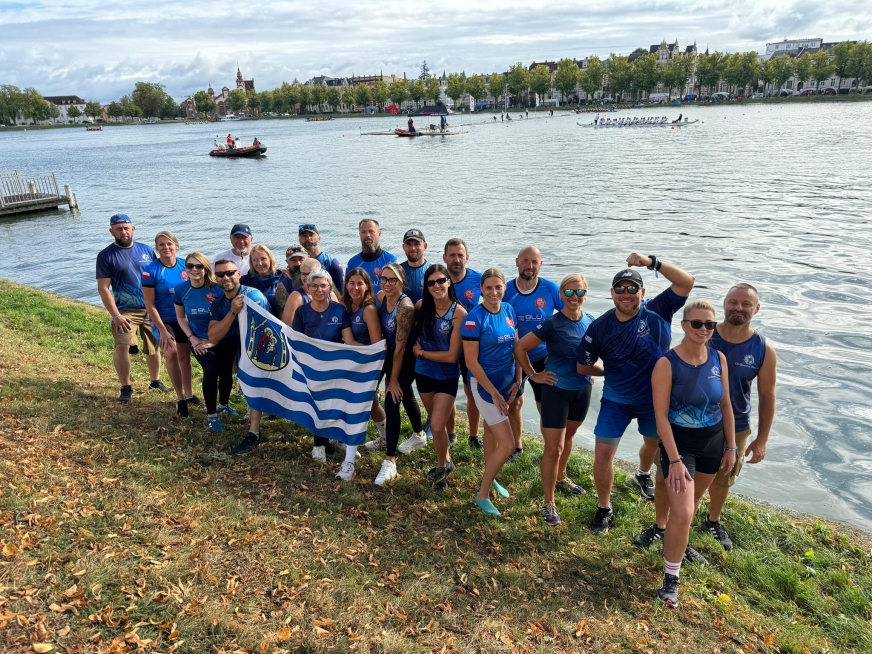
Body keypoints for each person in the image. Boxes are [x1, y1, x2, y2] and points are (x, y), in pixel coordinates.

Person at [577, 253, 695, 534]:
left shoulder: (659, 310)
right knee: (603, 455)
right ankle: (604, 507)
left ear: (643, 292)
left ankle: (642, 475)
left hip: (655, 400)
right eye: (620, 289)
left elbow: (687, 282)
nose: (626, 294)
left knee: (652, 444)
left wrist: (652, 262)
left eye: (632, 289)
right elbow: (583, 366)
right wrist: (608, 371)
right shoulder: (600, 327)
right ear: (612, 294)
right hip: (616, 401)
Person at [641, 300, 736, 608]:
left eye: (710, 325)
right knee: (682, 512)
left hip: (713, 443)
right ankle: (671, 578)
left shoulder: (718, 358)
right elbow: (660, 416)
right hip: (679, 445)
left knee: (691, 506)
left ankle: (677, 542)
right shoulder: (667, 364)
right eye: (697, 324)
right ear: (684, 325)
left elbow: (725, 406)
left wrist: (731, 447)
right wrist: (676, 460)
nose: (704, 330)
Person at [515, 274, 600, 526]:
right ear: (561, 295)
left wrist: (594, 369)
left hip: (581, 390)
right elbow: (520, 347)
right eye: (569, 292)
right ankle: (549, 501)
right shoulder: (552, 323)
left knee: (569, 438)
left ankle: (562, 476)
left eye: (580, 292)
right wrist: (533, 375)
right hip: (555, 389)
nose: (575, 297)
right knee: (554, 448)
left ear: (586, 294)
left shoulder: (591, 321)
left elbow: (595, 353)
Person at [706, 283, 777, 550]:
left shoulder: (763, 349)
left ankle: (713, 519)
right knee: (681, 469)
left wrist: (762, 439)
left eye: (746, 304)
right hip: (696, 418)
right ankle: (674, 517)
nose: (738, 308)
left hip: (737, 423)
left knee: (724, 474)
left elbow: (768, 396)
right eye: (733, 302)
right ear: (724, 303)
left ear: (756, 309)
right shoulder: (704, 332)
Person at [291, 270, 363, 479]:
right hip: (312, 366)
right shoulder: (302, 312)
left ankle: (339, 439)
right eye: (314, 286)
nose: (319, 290)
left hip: (336, 365)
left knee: (338, 404)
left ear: (330, 288)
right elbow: (297, 341)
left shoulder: (340, 311)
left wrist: (373, 350)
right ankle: (319, 445)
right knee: (318, 405)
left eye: (324, 286)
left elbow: (349, 341)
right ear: (308, 288)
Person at [462, 269, 521, 515]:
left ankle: (491, 474)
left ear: (504, 288)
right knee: (507, 444)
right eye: (488, 288)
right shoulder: (474, 319)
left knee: (490, 431)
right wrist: (495, 394)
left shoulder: (508, 310)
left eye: (498, 287)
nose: (494, 292)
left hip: (508, 383)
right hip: (485, 388)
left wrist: (518, 379)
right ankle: (482, 495)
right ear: (481, 290)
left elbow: (516, 346)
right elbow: (471, 363)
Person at [504, 245, 564, 460]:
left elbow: (569, 317)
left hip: (542, 356)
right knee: (514, 403)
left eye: (534, 262)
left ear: (541, 264)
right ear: (517, 262)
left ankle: (549, 450)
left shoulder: (550, 289)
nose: (529, 266)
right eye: (525, 261)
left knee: (545, 407)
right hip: (512, 358)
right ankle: (517, 447)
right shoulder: (506, 290)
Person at [96, 213, 164, 403]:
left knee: (153, 346)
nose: (123, 232)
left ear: (133, 228)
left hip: (151, 307)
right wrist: (116, 315)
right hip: (125, 311)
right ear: (112, 232)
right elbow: (103, 288)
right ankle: (126, 388)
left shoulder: (146, 250)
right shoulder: (106, 255)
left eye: (126, 228)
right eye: (118, 229)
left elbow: (156, 277)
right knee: (122, 345)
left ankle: (155, 382)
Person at [412, 265, 468, 491]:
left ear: (449, 282)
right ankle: (446, 461)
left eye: (440, 281)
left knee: (436, 425)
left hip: (446, 376)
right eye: (431, 282)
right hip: (423, 373)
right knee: (437, 424)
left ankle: (441, 468)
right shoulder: (420, 307)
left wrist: (422, 353)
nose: (436, 286)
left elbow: (452, 356)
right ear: (426, 287)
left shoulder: (459, 313)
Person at [371, 263, 427, 486]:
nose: (386, 283)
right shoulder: (382, 295)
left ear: (402, 282)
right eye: (383, 279)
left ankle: (390, 460)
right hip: (389, 352)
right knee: (405, 394)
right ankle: (419, 435)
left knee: (393, 399)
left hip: (405, 357)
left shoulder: (405, 308)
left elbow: (401, 347)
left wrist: (392, 380)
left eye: (392, 280)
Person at [207, 260, 270, 455]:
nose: (225, 278)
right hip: (237, 351)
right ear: (215, 279)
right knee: (251, 390)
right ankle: (255, 427)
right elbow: (213, 335)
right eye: (220, 275)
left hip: (260, 351)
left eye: (230, 273)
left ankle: (253, 432)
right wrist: (232, 312)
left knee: (256, 388)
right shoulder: (219, 302)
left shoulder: (253, 296)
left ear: (238, 274)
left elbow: (264, 328)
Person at [174, 253, 227, 432]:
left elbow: (227, 316)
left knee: (226, 372)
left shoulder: (218, 289)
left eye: (199, 266)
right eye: (190, 266)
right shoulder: (181, 290)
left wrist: (214, 340)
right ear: (186, 269)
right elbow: (181, 317)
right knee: (211, 370)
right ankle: (211, 416)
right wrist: (192, 338)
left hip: (221, 337)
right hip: (198, 340)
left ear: (206, 268)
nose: (195, 270)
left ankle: (224, 405)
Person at [142, 231, 192, 417]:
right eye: (161, 245)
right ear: (156, 248)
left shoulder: (185, 266)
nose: (166, 248)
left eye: (169, 244)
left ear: (176, 246)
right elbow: (149, 304)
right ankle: (180, 398)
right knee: (171, 353)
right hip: (163, 319)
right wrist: (162, 330)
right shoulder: (151, 271)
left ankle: (190, 395)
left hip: (183, 318)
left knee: (185, 356)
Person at [443, 238, 483, 449]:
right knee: (448, 392)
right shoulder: (438, 280)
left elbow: (493, 305)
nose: (456, 260)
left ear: (467, 257)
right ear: (444, 258)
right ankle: (451, 433)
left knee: (471, 391)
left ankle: (474, 435)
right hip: (446, 346)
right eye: (452, 255)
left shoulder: (477, 279)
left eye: (460, 255)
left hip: (471, 347)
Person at [342, 268, 388, 445]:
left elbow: (376, 346)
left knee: (369, 403)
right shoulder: (346, 306)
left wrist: (353, 347)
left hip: (367, 362)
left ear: (367, 286)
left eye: (360, 283)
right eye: (351, 283)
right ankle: (384, 437)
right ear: (346, 285)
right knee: (371, 403)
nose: (355, 287)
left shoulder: (368, 309)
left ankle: (384, 438)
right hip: (351, 361)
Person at [281, 259, 338, 327]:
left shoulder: (330, 294)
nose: (306, 277)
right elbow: (286, 326)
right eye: (303, 274)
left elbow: (338, 317)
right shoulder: (296, 297)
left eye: (311, 274)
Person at [347, 219, 397, 296]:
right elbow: (347, 291)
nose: (367, 235)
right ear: (360, 234)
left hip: (384, 306)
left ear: (379, 234)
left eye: (371, 231)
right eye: (363, 232)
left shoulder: (391, 260)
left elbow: (397, 291)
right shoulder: (352, 263)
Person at [298, 223, 344, 293]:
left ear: (319, 239)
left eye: (311, 235)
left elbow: (342, 292)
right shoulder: (297, 263)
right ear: (299, 240)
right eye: (304, 236)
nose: (308, 238)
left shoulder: (331, 263)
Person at [240, 245, 284, 316]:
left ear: (270, 259)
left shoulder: (283, 279)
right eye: (255, 260)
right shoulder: (244, 281)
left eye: (263, 259)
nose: (259, 263)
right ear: (251, 262)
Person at [399, 228, 431, 305]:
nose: (413, 248)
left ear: (425, 246)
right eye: (409, 244)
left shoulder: (433, 271)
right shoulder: (397, 271)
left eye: (417, 244)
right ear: (403, 247)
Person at [275, 245, 307, 314]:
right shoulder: (283, 287)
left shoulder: (318, 277)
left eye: (301, 259)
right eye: (293, 260)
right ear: (287, 261)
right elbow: (284, 318)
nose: (298, 263)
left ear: (308, 258)